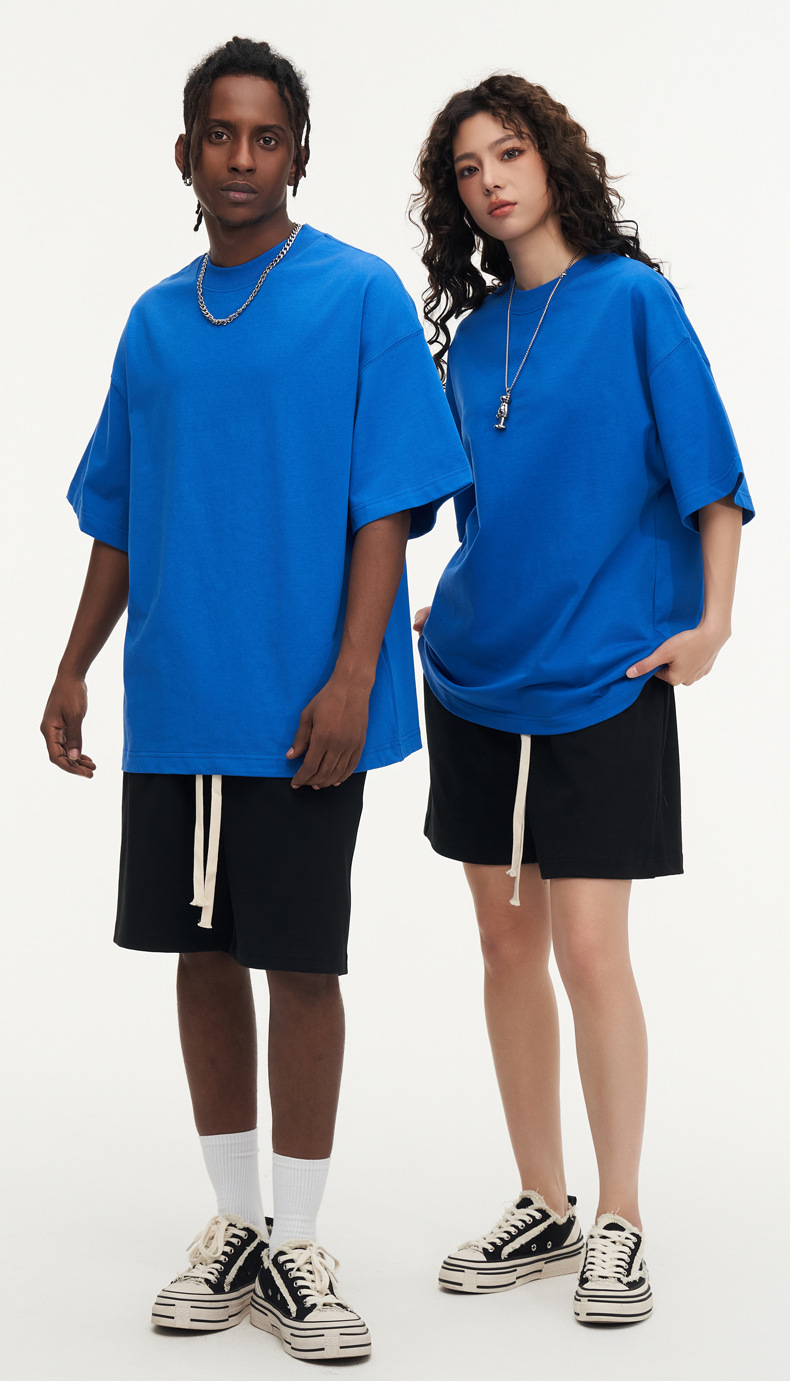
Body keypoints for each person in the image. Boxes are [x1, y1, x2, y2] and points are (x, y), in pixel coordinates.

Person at [40, 36, 471, 1363]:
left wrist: (353, 674)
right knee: (202, 955)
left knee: (301, 959)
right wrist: (73, 662)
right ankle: (233, 1223)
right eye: (219, 135)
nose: (241, 157)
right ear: (186, 153)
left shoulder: (355, 294)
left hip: (301, 704)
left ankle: (300, 1239)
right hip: (180, 696)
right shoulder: (154, 321)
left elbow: (388, 503)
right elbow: (121, 513)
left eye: (266, 135)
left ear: (297, 153)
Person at [411, 74, 752, 1325]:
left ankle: (620, 1215)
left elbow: (712, 479)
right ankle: (542, 1201)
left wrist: (711, 624)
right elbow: (471, 511)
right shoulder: (471, 342)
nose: (490, 181)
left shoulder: (632, 301)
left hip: (606, 675)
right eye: (467, 168)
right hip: (473, 677)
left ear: (551, 160)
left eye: (508, 153)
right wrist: (440, 607)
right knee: (504, 945)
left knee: (592, 950)